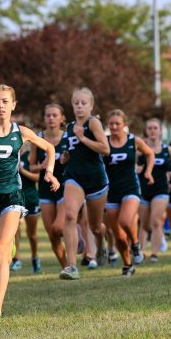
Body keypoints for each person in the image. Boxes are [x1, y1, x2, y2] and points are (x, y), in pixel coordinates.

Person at [0, 84, 59, 327]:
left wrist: (50, 173)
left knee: (0, 250)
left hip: (12, 194)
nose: (1, 106)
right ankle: (7, 250)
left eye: (5, 101)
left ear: (13, 105)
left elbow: (50, 149)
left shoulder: (21, 132)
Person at [60, 88, 110, 279]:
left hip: (96, 179)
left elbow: (105, 149)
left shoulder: (93, 123)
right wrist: (65, 156)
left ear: (91, 105)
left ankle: (101, 243)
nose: (79, 106)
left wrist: (83, 138)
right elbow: (71, 149)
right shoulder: (70, 126)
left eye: (83, 103)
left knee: (96, 226)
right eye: (76, 103)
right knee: (71, 215)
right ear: (72, 104)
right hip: (74, 177)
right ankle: (71, 266)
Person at [104, 109, 154, 275]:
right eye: (111, 123)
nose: (114, 126)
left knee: (125, 221)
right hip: (111, 190)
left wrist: (148, 171)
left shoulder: (134, 140)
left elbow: (150, 154)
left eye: (117, 123)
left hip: (131, 187)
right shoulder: (104, 142)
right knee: (117, 235)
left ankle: (136, 244)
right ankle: (127, 264)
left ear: (124, 125)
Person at [29, 104, 68, 270]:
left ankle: (79, 237)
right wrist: (41, 166)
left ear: (61, 118)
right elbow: (31, 166)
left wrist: (68, 161)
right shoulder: (37, 139)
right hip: (45, 189)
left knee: (59, 227)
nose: (51, 118)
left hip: (66, 187)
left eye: (54, 115)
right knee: (52, 235)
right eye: (48, 115)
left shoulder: (68, 137)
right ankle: (66, 267)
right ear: (44, 118)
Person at [138, 118, 171, 263]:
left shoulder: (168, 150)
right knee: (144, 224)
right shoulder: (139, 149)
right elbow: (131, 166)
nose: (152, 130)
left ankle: (154, 254)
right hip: (143, 190)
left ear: (161, 131)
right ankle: (140, 253)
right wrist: (137, 169)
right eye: (150, 128)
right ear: (146, 131)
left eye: (155, 128)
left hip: (161, 190)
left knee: (156, 221)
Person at [12, 143, 41, 273]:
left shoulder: (29, 156)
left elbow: (38, 178)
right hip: (15, 197)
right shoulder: (9, 155)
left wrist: (23, 171)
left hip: (31, 197)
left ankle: (35, 257)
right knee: (14, 230)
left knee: (32, 234)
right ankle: (16, 259)